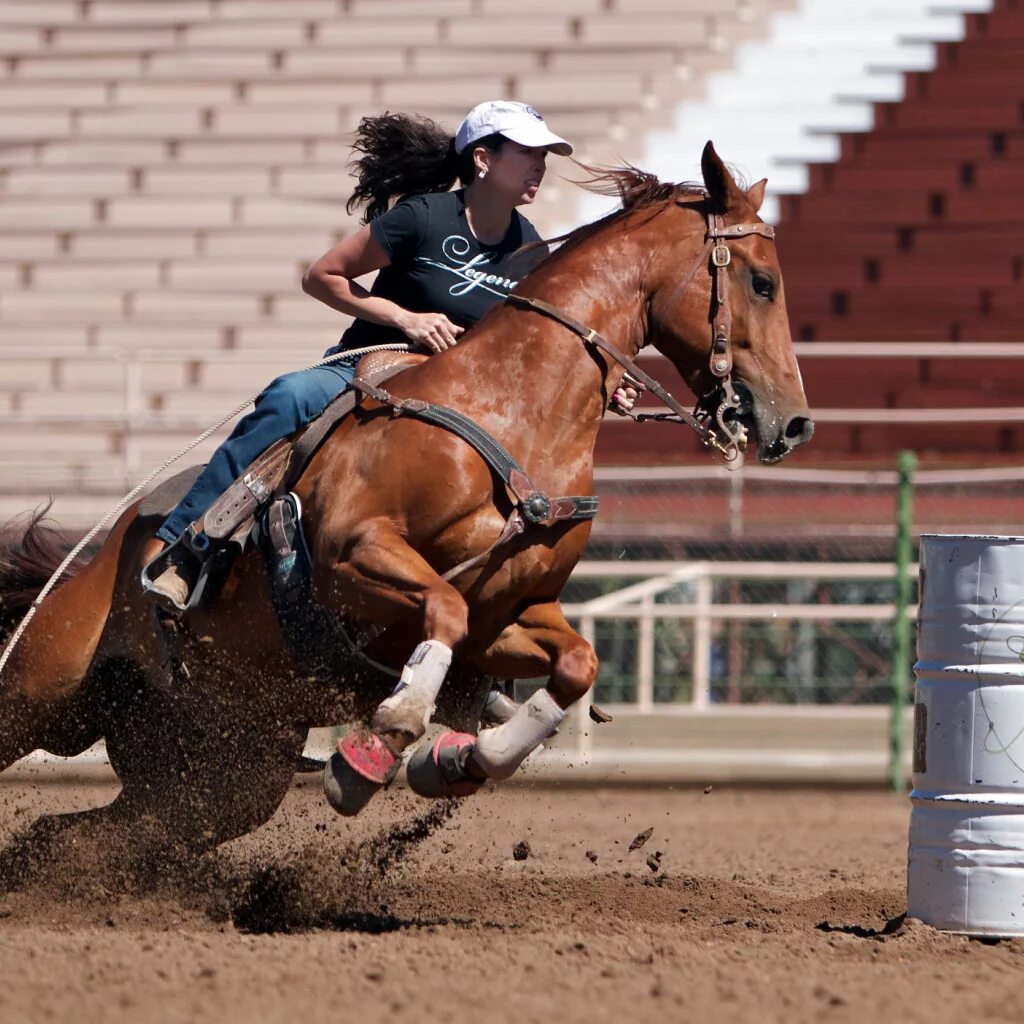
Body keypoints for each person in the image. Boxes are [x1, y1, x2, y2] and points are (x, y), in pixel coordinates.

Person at [145, 100, 577, 612]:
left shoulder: (531, 250)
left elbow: (527, 342)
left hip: (461, 397)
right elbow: (322, 277)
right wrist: (405, 318)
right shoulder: (422, 217)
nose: (540, 165)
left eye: (544, 154)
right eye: (528, 152)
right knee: (289, 395)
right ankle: (187, 548)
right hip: (367, 368)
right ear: (482, 159)